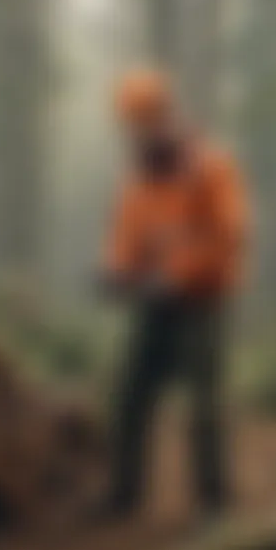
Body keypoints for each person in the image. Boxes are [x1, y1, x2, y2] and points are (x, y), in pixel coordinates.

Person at [97, 68, 250, 520]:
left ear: (168, 115)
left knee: (204, 402)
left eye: (147, 120)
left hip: (202, 300)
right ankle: (123, 493)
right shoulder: (138, 180)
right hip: (154, 303)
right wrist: (116, 273)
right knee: (129, 395)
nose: (140, 132)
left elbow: (228, 237)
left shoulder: (212, 166)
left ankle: (215, 502)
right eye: (133, 124)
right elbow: (125, 236)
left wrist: (178, 274)